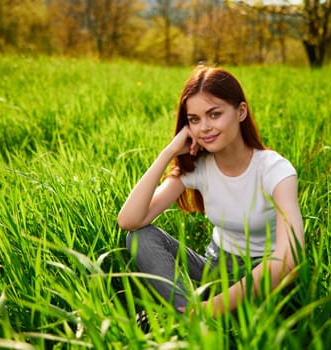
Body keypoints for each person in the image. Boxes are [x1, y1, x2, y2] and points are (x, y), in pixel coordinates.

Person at [117, 66, 304, 318]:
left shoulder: (274, 170)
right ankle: (190, 314)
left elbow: (289, 258)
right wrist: (169, 152)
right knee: (140, 237)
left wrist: (213, 306)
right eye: (194, 119)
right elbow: (129, 221)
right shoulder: (199, 166)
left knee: (264, 304)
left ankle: (194, 316)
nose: (204, 127)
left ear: (240, 112)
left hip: (264, 272)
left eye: (214, 114)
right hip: (215, 268)